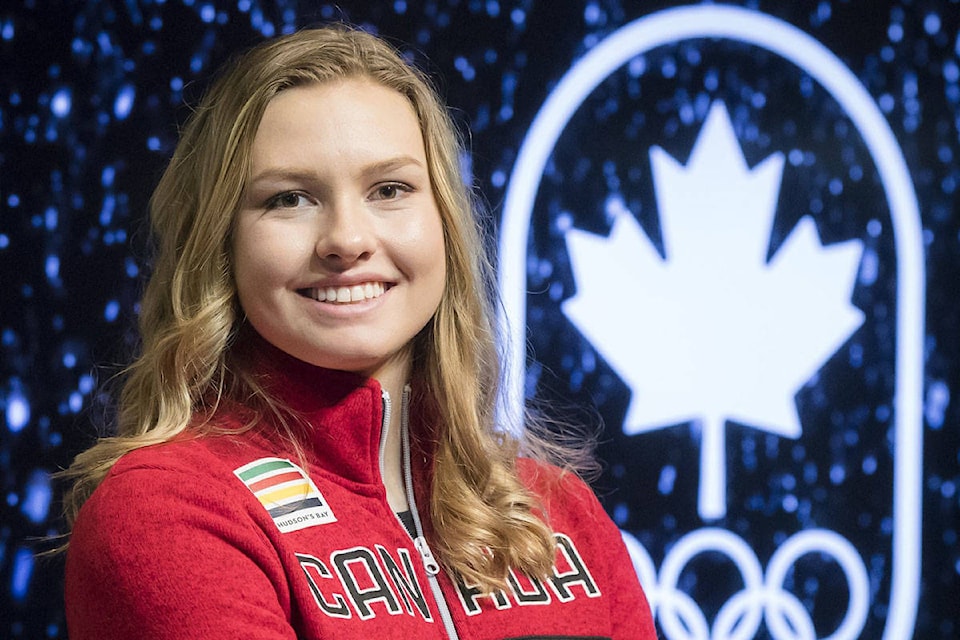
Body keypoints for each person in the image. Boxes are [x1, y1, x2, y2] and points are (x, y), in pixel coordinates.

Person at [62, 25, 656, 639]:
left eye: (390, 189)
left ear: (445, 223)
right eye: (290, 199)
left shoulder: (558, 512)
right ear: (220, 242)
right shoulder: (167, 511)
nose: (346, 240)